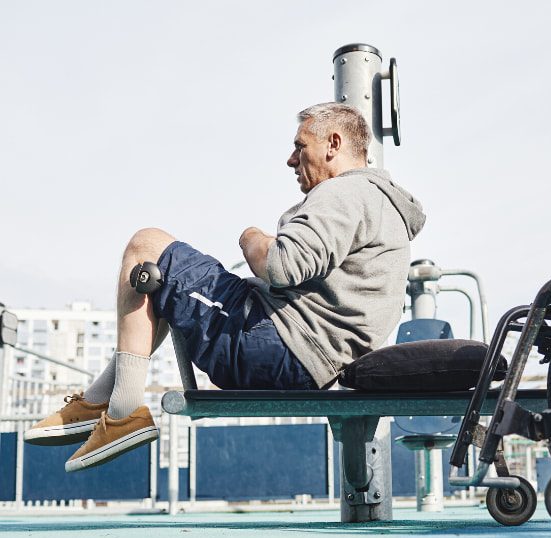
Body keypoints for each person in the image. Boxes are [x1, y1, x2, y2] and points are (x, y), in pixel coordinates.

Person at [25, 102, 426, 472]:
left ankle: (124, 411)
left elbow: (283, 265)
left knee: (145, 245)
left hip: (275, 343)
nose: (290, 160)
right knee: (166, 281)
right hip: (309, 356)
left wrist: (250, 236)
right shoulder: (384, 209)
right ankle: (103, 401)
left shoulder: (345, 191)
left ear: (333, 144)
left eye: (300, 146)